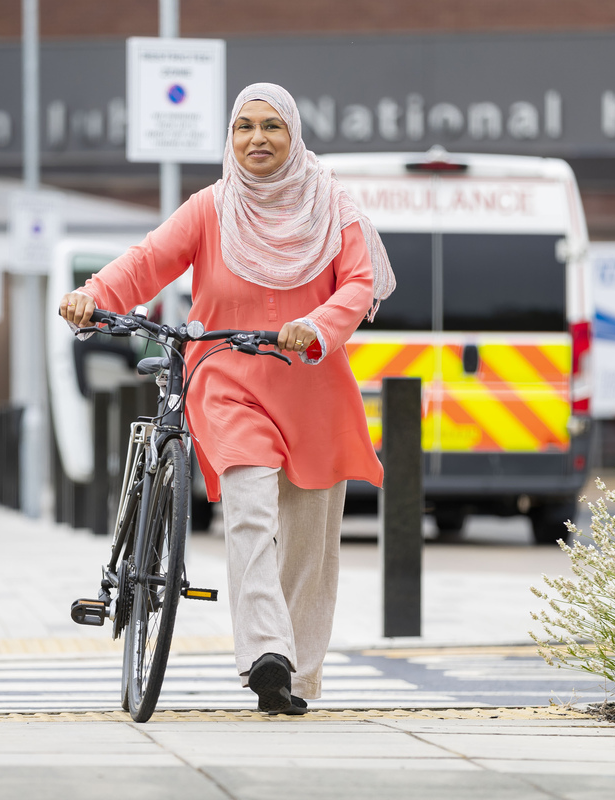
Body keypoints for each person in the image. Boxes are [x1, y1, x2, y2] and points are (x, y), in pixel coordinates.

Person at [59, 82, 395, 715]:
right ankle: (266, 652)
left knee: (309, 541)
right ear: (230, 137)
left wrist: (318, 326)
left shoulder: (335, 209)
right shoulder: (210, 208)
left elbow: (356, 285)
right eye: (244, 126)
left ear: (294, 136)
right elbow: (146, 261)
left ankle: (293, 675)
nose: (257, 139)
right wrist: (94, 293)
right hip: (228, 380)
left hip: (313, 385)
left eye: (272, 126)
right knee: (249, 510)